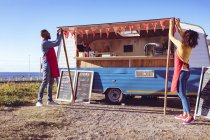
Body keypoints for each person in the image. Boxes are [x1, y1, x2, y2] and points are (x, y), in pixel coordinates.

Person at [169, 19, 199, 124]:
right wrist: (178, 25)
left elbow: (170, 37)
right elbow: (183, 35)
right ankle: (185, 114)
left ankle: (189, 116)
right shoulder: (189, 46)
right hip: (186, 72)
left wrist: (171, 26)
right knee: (183, 93)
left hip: (181, 73)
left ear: (186, 38)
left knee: (182, 94)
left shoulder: (181, 46)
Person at [36, 29, 62, 107]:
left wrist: (58, 35)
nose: (50, 33)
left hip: (51, 65)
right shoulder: (45, 43)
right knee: (45, 82)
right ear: (45, 35)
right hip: (47, 66)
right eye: (48, 33)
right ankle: (39, 101)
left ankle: (49, 100)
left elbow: (55, 42)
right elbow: (57, 43)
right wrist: (60, 34)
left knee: (50, 83)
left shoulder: (48, 42)